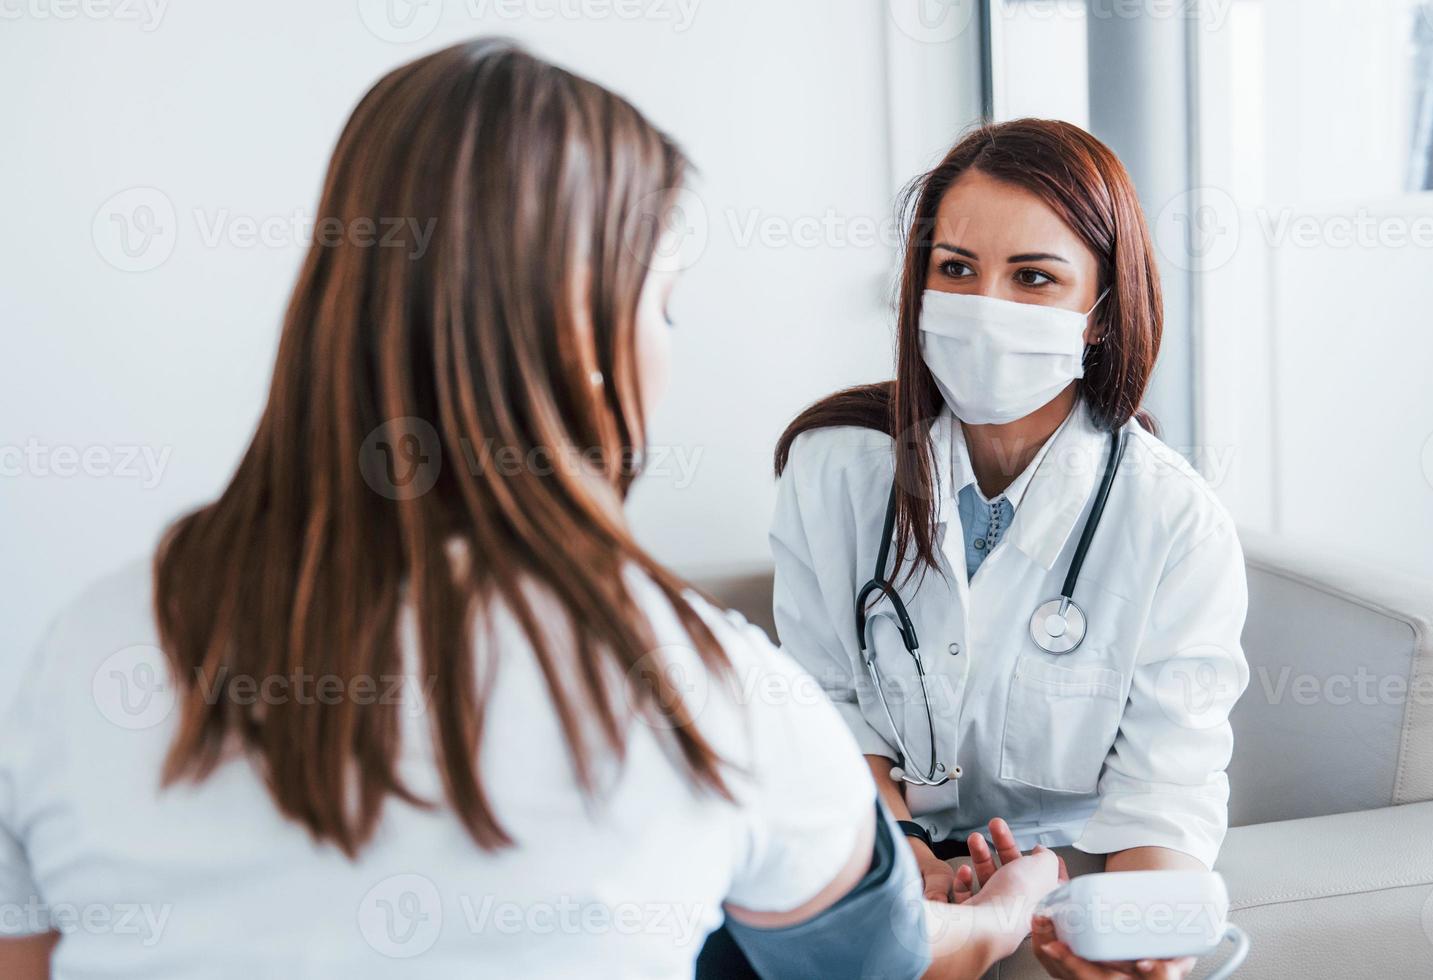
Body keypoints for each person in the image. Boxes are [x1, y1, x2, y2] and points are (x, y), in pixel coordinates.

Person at [0, 41, 1062, 980]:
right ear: (589, 342)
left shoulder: (87, 651)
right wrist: (1009, 910)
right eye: (667, 302)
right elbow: (877, 964)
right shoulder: (708, 696)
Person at [770, 119, 1250, 979]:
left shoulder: (1174, 522)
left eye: (1034, 278)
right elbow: (823, 707)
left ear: (1101, 315)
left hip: (1061, 869)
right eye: (956, 269)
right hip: (873, 840)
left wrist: (1134, 936)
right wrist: (904, 854)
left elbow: (1164, 796)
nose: (985, 307)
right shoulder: (833, 469)